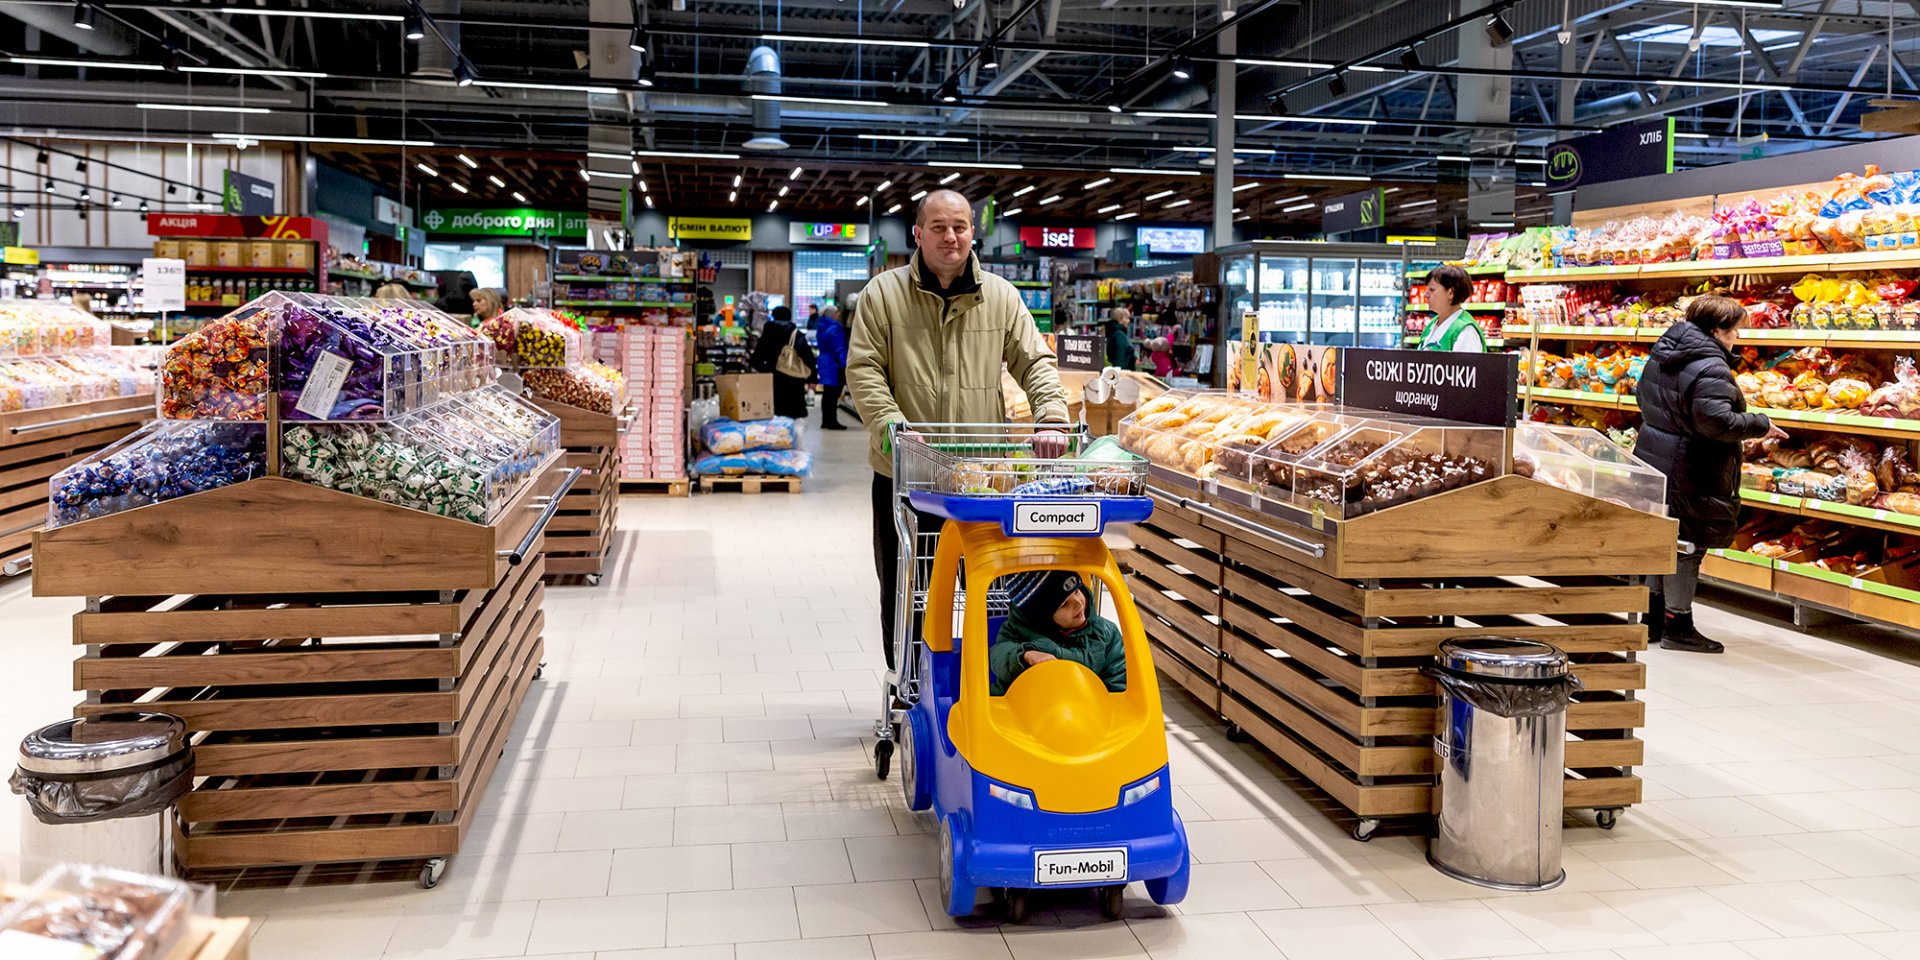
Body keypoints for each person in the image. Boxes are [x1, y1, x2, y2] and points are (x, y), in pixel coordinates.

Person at [849, 188, 1069, 670]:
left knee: (989, 590)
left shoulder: (1001, 297)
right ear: (918, 233)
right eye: (939, 227)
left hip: (979, 479)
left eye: (960, 227)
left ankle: (987, 689)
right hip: (903, 475)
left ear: (973, 232)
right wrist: (891, 426)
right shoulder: (882, 296)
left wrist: (1051, 415)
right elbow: (864, 369)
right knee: (907, 591)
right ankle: (907, 691)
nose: (951, 237)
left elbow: (1034, 362)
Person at [1635, 295, 1786, 654]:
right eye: (1734, 331)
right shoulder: (1709, 365)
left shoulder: (1664, 353)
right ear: (1717, 330)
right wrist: (1760, 424)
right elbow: (1715, 420)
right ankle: (1678, 624)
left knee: (1663, 539)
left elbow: (1644, 398)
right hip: (1692, 466)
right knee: (1688, 545)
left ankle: (1650, 620)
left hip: (1657, 456)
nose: (1737, 338)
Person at [989, 570, 1126, 696]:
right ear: (1043, 618)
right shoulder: (1019, 632)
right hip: (1026, 709)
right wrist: (1026, 655)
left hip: (1086, 713)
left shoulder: (1105, 633)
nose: (1079, 603)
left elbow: (1118, 682)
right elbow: (999, 655)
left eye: (1077, 591)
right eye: (1064, 604)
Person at [748, 305, 815, 419]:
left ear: (773, 316)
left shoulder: (767, 334)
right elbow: (807, 356)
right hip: (793, 379)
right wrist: (812, 378)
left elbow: (755, 359)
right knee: (793, 416)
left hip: (773, 381)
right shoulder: (795, 334)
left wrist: (767, 370)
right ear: (789, 317)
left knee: (774, 415)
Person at [1417, 264, 1488, 353]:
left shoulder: (1466, 331)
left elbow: (1467, 366)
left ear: (1451, 293)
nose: (1425, 295)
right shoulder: (1431, 325)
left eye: (1432, 289)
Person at [815, 303, 849, 430]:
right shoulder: (835, 328)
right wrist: (845, 364)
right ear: (831, 314)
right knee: (834, 394)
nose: (838, 314)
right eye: (836, 312)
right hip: (834, 364)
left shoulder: (822, 327)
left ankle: (826, 421)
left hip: (824, 361)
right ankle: (832, 421)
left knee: (827, 393)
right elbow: (839, 348)